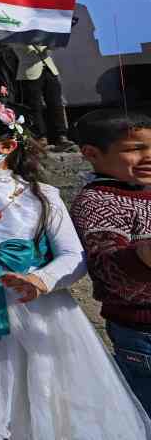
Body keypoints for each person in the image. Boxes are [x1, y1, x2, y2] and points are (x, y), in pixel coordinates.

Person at [0, 86, 151, 438]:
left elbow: (73, 256)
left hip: (35, 307)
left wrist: (41, 279)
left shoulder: (44, 197)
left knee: (39, 385)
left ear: (6, 147)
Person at [70, 109, 151, 415]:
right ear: (91, 153)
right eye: (134, 149)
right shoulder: (98, 202)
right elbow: (110, 269)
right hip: (141, 333)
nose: (149, 156)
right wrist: (142, 253)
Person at [12, 44, 74, 151]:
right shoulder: (18, 33)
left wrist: (48, 43)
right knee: (35, 106)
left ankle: (62, 136)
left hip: (50, 70)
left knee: (56, 103)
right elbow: (24, 49)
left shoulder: (40, 33)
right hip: (30, 72)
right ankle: (41, 137)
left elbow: (53, 47)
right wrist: (38, 42)